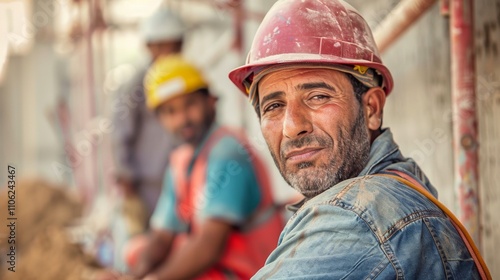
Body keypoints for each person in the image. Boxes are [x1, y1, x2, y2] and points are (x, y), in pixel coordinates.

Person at [228, 0, 491, 279]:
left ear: (371, 109)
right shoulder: (401, 189)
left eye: (318, 97)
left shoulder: (357, 215)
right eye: (274, 106)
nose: (293, 128)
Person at [127, 55, 283, 280]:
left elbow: (209, 246)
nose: (182, 119)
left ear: (210, 100)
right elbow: (162, 236)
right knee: (135, 252)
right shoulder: (181, 160)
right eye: (171, 112)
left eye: (189, 104)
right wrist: (134, 276)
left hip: (250, 273)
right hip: (220, 268)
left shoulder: (227, 152)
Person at [110, 8, 185, 272]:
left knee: (171, 246)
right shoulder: (136, 84)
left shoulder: (184, 78)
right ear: (149, 46)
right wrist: (126, 175)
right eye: (162, 45)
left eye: (174, 45)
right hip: (143, 184)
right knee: (139, 247)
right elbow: (120, 132)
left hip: (177, 179)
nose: (168, 51)